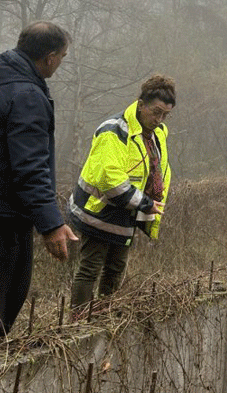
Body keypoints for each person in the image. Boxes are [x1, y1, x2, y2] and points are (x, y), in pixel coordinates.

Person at [0, 22, 79, 363]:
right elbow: (31, 167)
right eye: (62, 56)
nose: (60, 63)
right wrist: (51, 224)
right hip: (3, 212)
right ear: (49, 57)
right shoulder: (26, 96)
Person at [67, 75, 175, 309]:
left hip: (126, 212)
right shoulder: (114, 131)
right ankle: (79, 321)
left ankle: (106, 317)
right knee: (90, 268)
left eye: (165, 115)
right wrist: (145, 203)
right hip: (97, 210)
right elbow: (111, 179)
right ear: (141, 104)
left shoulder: (158, 133)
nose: (159, 120)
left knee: (116, 268)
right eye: (156, 112)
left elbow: (157, 169)